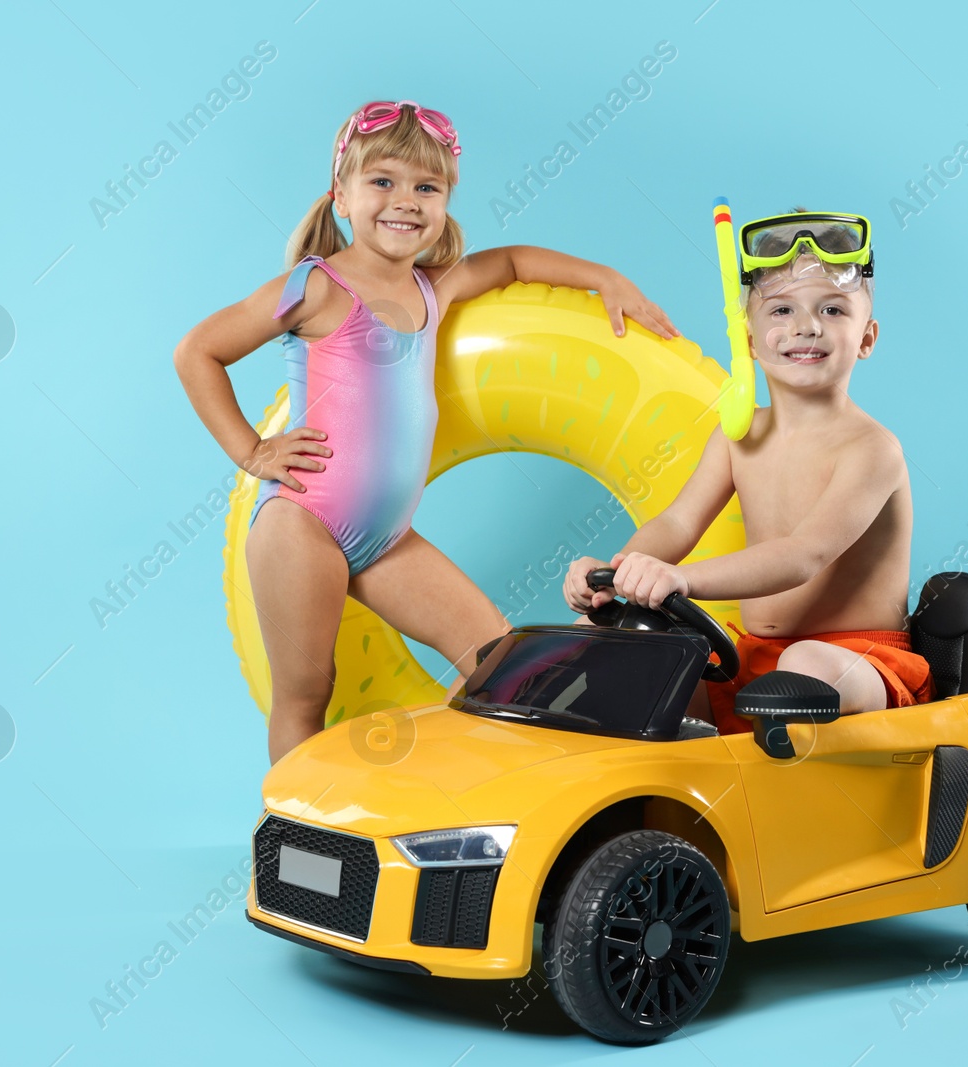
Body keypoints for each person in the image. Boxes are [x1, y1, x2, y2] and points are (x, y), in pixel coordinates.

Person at [175, 100, 680, 763]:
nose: (405, 201)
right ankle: (287, 844)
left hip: (385, 539)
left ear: (445, 201)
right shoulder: (316, 288)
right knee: (306, 690)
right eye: (382, 181)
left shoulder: (435, 289)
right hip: (303, 523)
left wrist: (606, 279)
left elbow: (514, 261)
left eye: (426, 187)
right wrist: (252, 450)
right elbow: (198, 352)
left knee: (502, 657)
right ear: (342, 198)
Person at [563, 209, 932, 733]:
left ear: (867, 338)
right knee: (633, 644)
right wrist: (620, 570)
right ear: (751, 341)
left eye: (832, 309)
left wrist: (682, 579)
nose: (806, 326)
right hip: (753, 659)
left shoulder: (872, 449)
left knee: (803, 662)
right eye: (781, 310)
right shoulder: (739, 437)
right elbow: (677, 525)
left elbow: (805, 555)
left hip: (857, 661)